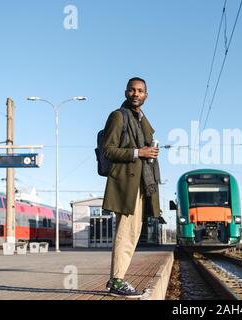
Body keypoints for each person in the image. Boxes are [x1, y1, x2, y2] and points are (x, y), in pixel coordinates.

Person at [102, 77, 161, 298]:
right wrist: (139, 152)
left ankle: (118, 278)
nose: (136, 94)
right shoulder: (118, 116)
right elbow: (108, 150)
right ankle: (116, 280)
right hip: (126, 183)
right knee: (126, 232)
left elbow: (146, 140)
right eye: (132, 90)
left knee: (133, 232)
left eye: (140, 91)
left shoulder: (140, 118)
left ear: (146, 95)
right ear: (126, 92)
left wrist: (148, 149)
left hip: (141, 182)